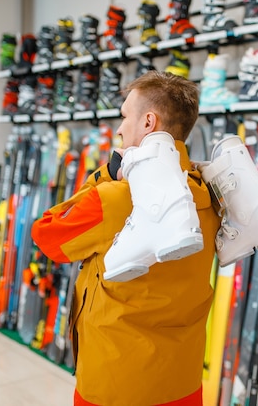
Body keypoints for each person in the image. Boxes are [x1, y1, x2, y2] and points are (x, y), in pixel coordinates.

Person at [31, 70, 221, 406]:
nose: (119, 129)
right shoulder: (205, 193)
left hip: (115, 386)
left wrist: (104, 175)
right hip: (183, 381)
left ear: (149, 122)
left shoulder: (113, 198)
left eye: (123, 117)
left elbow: (46, 235)